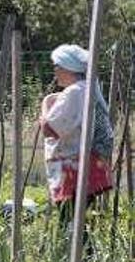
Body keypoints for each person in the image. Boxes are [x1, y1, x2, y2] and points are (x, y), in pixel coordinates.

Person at [39, 44, 113, 229]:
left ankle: (81, 257)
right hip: (86, 166)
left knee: (69, 222)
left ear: (68, 68)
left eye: (57, 67)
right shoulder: (84, 90)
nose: (55, 72)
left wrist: (45, 108)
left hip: (73, 170)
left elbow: (50, 128)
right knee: (75, 221)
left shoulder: (75, 92)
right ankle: (84, 256)